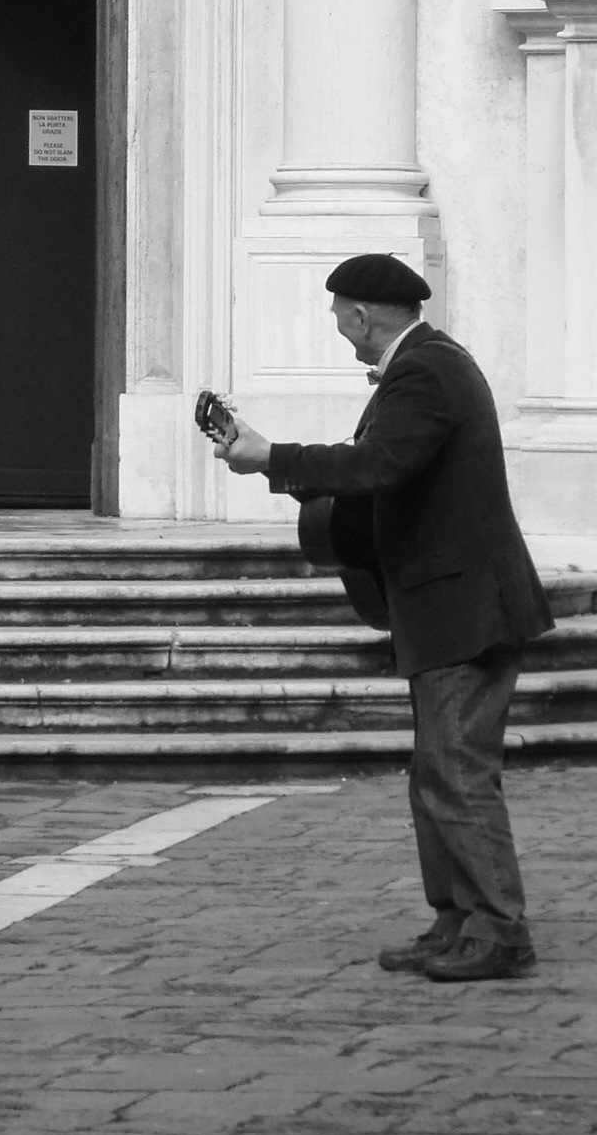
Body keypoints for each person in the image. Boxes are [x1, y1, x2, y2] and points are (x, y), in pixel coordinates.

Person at [213, 254, 555, 982]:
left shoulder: (425, 371)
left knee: (456, 771)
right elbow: (382, 475)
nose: (338, 330)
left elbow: (377, 465)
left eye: (339, 316)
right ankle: (457, 918)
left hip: (464, 606)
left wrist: (270, 456)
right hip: (445, 603)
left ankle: (499, 930)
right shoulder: (427, 366)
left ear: (361, 315)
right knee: (436, 768)